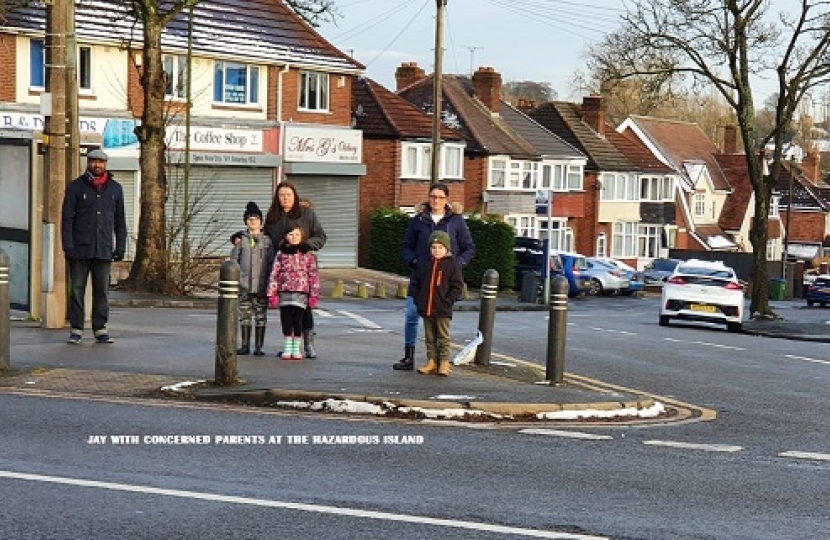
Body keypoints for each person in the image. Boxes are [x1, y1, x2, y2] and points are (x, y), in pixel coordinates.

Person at [232, 183, 326, 358]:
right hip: (282, 269)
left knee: (303, 310)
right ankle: (289, 346)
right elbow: (261, 234)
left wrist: (306, 246)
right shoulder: (273, 216)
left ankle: (308, 344)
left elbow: (321, 237)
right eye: (281, 195)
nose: (285, 198)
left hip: (302, 269)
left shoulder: (307, 214)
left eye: (288, 195)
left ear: (294, 196)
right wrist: (239, 236)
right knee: (287, 312)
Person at [393, 182, 475, 370]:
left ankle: (442, 361)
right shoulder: (419, 220)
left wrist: (457, 264)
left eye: (439, 197)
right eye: (432, 196)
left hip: (444, 282)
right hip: (421, 279)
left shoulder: (456, 221)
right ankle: (409, 356)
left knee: (441, 323)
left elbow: (469, 248)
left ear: (446, 199)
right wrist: (414, 262)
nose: (435, 200)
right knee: (413, 316)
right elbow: (406, 246)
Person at [61, 149, 127, 344]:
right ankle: (76, 329)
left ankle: (100, 328)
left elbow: (119, 221)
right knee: (77, 290)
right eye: (94, 161)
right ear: (87, 163)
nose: (97, 165)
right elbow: (67, 219)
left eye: (101, 162)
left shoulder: (115, 189)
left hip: (104, 248)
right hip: (80, 249)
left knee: (102, 291)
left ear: (105, 164)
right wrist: (68, 246)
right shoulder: (75, 187)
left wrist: (120, 246)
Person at [411, 231, 465, 376]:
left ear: (447, 248)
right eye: (433, 247)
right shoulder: (424, 264)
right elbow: (416, 284)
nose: (436, 250)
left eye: (440, 247)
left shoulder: (452, 265)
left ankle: (444, 363)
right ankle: (431, 362)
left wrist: (447, 301)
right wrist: (418, 300)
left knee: (443, 337)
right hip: (426, 308)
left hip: (442, 309)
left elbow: (457, 286)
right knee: (429, 337)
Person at [267, 223, 320, 360]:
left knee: (298, 321)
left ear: (301, 236)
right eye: (291, 235)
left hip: (301, 292)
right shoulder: (281, 253)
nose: (294, 237)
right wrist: (271, 293)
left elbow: (313, 275)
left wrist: (314, 295)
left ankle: (296, 348)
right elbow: (274, 273)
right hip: (284, 291)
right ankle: (287, 347)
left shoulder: (307, 254)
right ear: (286, 236)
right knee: (286, 320)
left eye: (297, 235)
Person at [230, 202, 275, 356]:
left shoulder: (267, 241)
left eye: (256, 219)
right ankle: (244, 345)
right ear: (245, 222)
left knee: (261, 315)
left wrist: (271, 283)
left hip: (262, 285)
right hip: (244, 285)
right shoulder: (240, 241)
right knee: (245, 315)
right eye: (249, 219)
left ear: (261, 222)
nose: (253, 222)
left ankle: (259, 346)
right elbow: (234, 261)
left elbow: (271, 263)